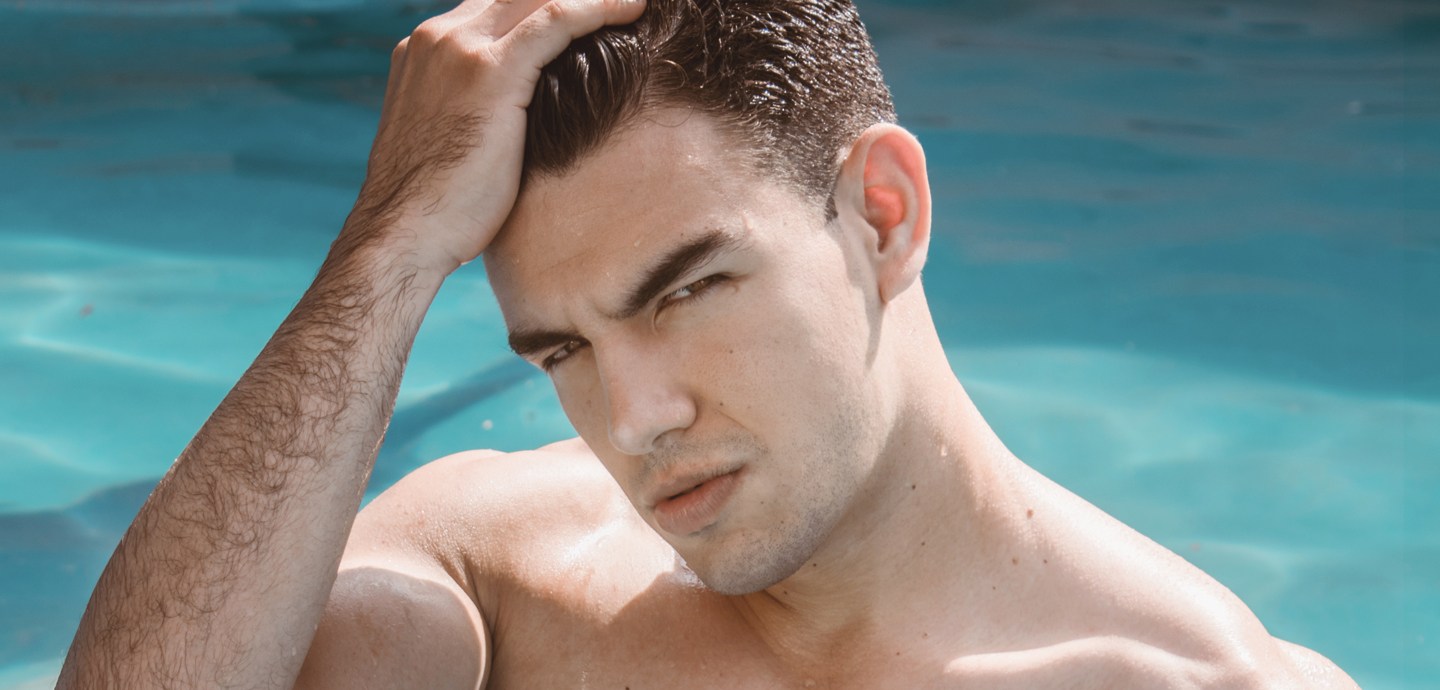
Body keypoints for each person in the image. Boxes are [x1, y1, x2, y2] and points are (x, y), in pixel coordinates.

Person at [58, 0, 1359, 687]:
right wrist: (384, 250)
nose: (634, 419)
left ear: (883, 214)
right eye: (561, 350)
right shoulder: (497, 580)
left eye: (685, 292)